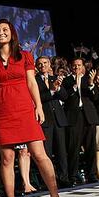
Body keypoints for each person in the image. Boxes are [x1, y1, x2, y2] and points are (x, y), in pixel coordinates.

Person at [0, 19, 66, 197]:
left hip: (25, 110)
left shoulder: (25, 56)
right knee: (7, 158)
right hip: (3, 113)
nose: (1, 33)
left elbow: (31, 82)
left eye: (5, 30)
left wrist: (39, 106)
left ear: (12, 33)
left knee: (39, 154)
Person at [62, 58, 99, 185]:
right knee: (73, 148)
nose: (77, 67)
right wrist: (73, 87)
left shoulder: (88, 79)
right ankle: (72, 176)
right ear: (71, 67)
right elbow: (64, 97)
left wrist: (91, 84)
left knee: (91, 147)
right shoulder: (66, 80)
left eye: (79, 65)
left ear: (83, 66)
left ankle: (92, 174)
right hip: (73, 118)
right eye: (74, 65)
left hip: (88, 116)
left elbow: (95, 97)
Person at [35, 56, 70, 188]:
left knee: (62, 151)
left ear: (49, 64)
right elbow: (38, 98)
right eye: (39, 64)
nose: (42, 65)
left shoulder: (55, 78)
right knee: (47, 153)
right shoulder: (35, 81)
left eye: (45, 63)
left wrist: (59, 88)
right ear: (37, 66)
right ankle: (49, 180)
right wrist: (52, 90)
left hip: (59, 120)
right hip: (45, 121)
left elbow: (65, 96)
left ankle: (64, 178)